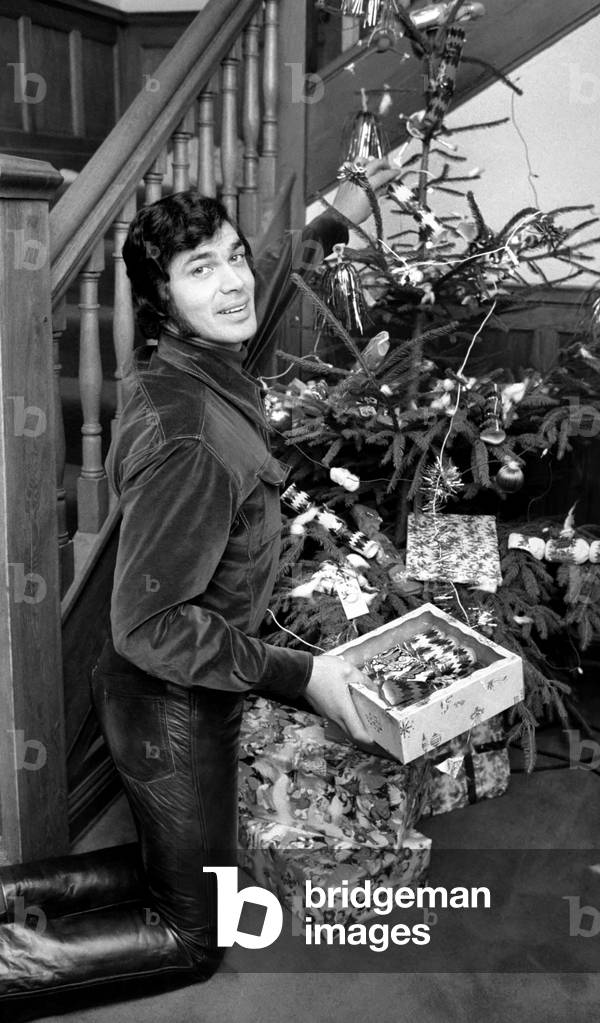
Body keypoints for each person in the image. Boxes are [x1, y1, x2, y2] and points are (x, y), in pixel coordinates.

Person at [0, 158, 400, 1007]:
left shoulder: (189, 367)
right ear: (162, 298)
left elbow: (283, 266)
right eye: (199, 269)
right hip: (169, 703)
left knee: (176, 867)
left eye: (234, 256)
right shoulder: (189, 429)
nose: (231, 284)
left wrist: (349, 203)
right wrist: (308, 676)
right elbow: (147, 625)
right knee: (196, 932)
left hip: (182, 695)